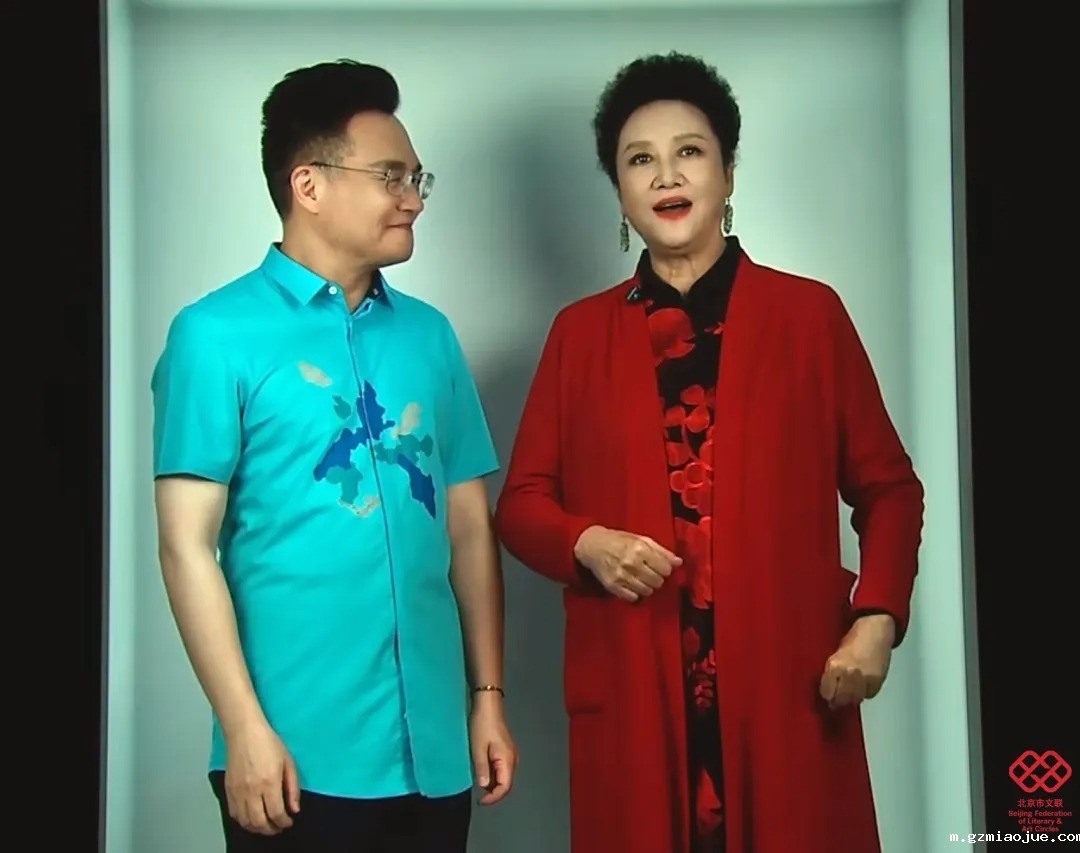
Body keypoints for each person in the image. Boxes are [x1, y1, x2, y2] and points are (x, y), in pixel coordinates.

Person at [493, 52, 924, 853]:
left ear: (727, 173)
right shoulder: (579, 335)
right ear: (620, 193)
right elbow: (520, 505)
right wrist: (587, 542)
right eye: (639, 160)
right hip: (634, 688)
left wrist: (875, 619)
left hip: (789, 685)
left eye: (689, 151)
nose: (667, 174)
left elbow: (890, 488)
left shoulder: (808, 316)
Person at [151, 59, 517, 853]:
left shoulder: (430, 336)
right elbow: (185, 546)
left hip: (434, 757)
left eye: (417, 178)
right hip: (292, 758)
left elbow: (468, 530)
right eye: (391, 176)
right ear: (308, 185)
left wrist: (486, 696)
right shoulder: (212, 336)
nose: (413, 198)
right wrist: (243, 727)